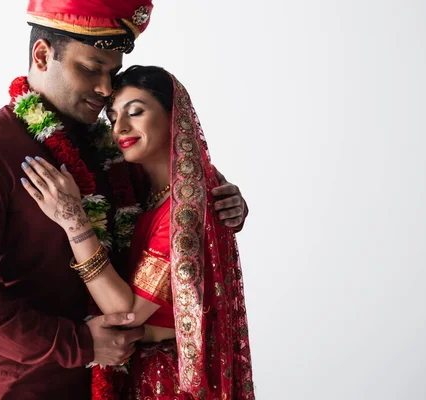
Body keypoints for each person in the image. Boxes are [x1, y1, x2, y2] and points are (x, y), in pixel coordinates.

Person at [0, 2, 249, 399]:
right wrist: (81, 344)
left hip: (113, 384)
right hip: (20, 388)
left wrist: (222, 198)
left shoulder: (107, 146)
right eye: (90, 68)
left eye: (111, 74)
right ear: (43, 55)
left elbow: (167, 198)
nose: (104, 89)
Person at [19, 66, 254, 399]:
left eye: (136, 112)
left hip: (166, 382)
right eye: (113, 118)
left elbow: (126, 313)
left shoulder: (183, 207)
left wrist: (75, 222)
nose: (120, 129)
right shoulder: (152, 188)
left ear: (177, 117)